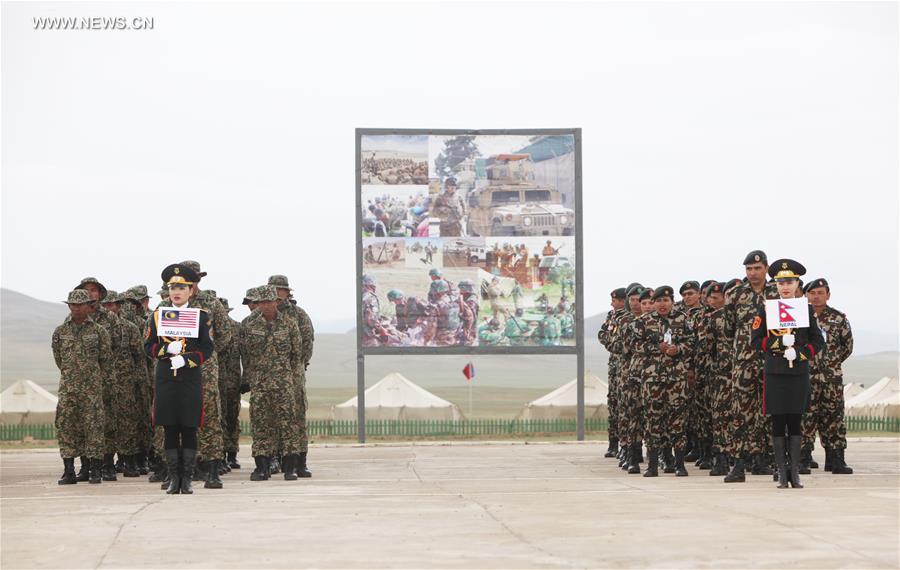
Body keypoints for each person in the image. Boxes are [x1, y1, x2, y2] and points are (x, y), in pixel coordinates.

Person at [750, 259, 825, 489]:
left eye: (790, 281)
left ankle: (795, 473)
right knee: (777, 421)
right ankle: (782, 473)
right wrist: (779, 342)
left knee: (795, 421)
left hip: (798, 373)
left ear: (797, 283)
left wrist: (800, 353)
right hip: (775, 372)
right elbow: (756, 341)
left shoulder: (805, 309)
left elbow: (817, 340)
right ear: (775, 284)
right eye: (781, 282)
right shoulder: (766, 308)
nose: (785, 286)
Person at [144, 264, 215, 494]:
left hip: (190, 377)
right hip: (166, 377)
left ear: (191, 291)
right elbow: (148, 346)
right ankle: (174, 478)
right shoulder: (157, 317)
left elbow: (207, 347)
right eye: (173, 287)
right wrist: (165, 351)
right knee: (171, 427)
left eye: (182, 287)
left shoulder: (201, 317)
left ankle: (187, 478)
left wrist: (188, 359)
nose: (177, 292)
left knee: (189, 427)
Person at [722, 250, 779, 483]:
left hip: (772, 360)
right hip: (744, 362)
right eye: (749, 269)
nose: (753, 273)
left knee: (771, 412)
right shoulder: (735, 294)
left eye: (757, 268)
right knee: (740, 413)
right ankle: (737, 464)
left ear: (766, 268)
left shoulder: (778, 292)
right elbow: (728, 330)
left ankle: (769, 462)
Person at [240, 286, 304, 481]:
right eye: (262, 303)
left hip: (284, 382)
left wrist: (290, 377)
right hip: (260, 383)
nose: (266, 306)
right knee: (260, 423)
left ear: (276, 302)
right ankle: (262, 467)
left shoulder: (289, 324)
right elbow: (245, 355)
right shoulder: (249, 324)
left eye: (269, 302)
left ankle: (290, 467)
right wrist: (249, 378)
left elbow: (296, 354)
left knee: (288, 423)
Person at [631, 286, 695, 478]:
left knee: (678, 420)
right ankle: (652, 465)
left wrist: (680, 349)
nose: (662, 304)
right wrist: (656, 347)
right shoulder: (643, 321)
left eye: (666, 301)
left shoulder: (682, 319)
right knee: (653, 420)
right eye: (658, 301)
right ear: (654, 303)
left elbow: (693, 341)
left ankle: (679, 464)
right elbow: (634, 345)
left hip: (677, 378)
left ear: (672, 302)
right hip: (652, 379)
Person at [52, 289, 111, 485]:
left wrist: (97, 383)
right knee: (66, 427)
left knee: (93, 428)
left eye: (80, 305)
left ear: (89, 306)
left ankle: (93, 470)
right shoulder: (60, 332)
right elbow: (59, 360)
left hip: (92, 390)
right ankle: (69, 470)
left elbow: (105, 361)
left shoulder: (99, 332)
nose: (76, 308)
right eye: (72, 305)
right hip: (68, 390)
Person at [803, 278, 854, 474]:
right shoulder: (800, 317)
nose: (816, 297)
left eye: (820, 293)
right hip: (806, 377)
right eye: (812, 293)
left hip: (831, 379)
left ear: (828, 295)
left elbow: (847, 347)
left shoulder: (838, 318)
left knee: (834, 418)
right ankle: (804, 458)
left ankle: (836, 459)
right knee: (806, 418)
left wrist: (830, 363)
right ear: (806, 295)